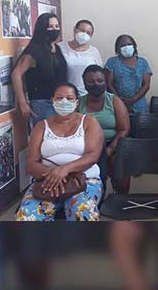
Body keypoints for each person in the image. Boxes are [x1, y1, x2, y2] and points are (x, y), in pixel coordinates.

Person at [16, 83, 104, 221]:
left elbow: (92, 156)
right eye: (59, 98)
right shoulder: (41, 126)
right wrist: (54, 175)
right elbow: (31, 163)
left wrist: (64, 170)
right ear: (52, 100)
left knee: (82, 214)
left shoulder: (89, 122)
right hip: (48, 181)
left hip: (84, 179)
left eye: (69, 98)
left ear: (77, 102)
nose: (64, 102)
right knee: (27, 215)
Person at [79, 65, 131, 194]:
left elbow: (124, 129)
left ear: (105, 81)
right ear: (84, 83)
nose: (96, 84)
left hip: (112, 145)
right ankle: (91, 194)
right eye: (91, 81)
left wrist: (110, 150)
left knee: (119, 162)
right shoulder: (78, 103)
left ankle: (120, 196)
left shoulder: (114, 101)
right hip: (85, 146)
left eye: (100, 80)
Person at [11, 13, 67, 126]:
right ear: (42, 28)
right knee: (44, 134)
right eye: (50, 26)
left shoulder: (57, 48)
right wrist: (23, 102)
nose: (54, 29)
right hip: (42, 103)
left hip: (60, 102)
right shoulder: (35, 50)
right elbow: (16, 74)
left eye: (57, 26)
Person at [105, 34, 152, 114]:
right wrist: (120, 101)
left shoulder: (143, 62)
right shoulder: (112, 62)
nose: (126, 47)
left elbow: (146, 85)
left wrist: (132, 100)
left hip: (139, 104)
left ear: (134, 46)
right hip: (117, 104)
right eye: (123, 45)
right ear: (117, 48)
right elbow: (109, 84)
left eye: (129, 44)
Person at [58, 19, 102, 95]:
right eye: (82, 31)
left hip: (88, 94)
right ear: (75, 30)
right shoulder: (60, 47)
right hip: (66, 94)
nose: (85, 34)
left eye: (88, 33)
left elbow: (99, 74)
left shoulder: (94, 51)